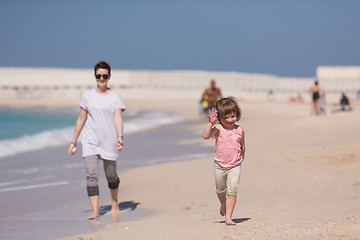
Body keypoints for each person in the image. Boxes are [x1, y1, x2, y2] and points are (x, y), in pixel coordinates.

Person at [68, 61, 125, 221]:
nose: (101, 78)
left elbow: (118, 117)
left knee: (111, 176)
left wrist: (120, 136)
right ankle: (95, 212)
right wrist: (73, 142)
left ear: (109, 77)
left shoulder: (115, 97)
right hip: (90, 141)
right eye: (99, 76)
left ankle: (114, 202)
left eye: (104, 76)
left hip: (110, 141)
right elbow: (81, 119)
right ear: (95, 76)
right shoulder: (87, 96)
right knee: (91, 175)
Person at [202, 97, 246, 226]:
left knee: (232, 190)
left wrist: (241, 158)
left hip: (235, 165)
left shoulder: (240, 130)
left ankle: (228, 217)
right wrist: (211, 123)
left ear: (237, 115)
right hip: (220, 165)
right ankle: (223, 204)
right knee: (220, 190)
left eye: (233, 116)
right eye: (226, 117)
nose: (230, 120)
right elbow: (206, 136)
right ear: (220, 118)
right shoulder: (218, 128)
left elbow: (242, 146)